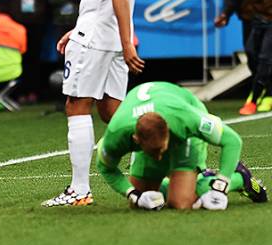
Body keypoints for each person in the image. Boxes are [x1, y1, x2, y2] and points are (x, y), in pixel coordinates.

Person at [44, 0, 145, 208]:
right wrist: (122, 34)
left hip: (102, 36)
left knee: (77, 104)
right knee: (112, 112)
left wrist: (124, 40)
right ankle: (164, 158)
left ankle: (79, 189)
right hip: (110, 34)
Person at [95, 82, 267, 210]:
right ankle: (183, 183)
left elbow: (232, 140)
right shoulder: (117, 133)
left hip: (181, 123)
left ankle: (240, 178)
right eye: (153, 153)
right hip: (153, 124)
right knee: (140, 205)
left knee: (181, 203)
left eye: (161, 150)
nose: (159, 158)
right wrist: (133, 194)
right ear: (136, 139)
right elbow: (106, 167)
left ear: (168, 133)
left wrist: (221, 185)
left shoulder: (187, 120)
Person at [216, 0, 272, 115]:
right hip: (256, 18)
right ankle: (262, 91)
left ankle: (255, 100)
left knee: (265, 58)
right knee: (251, 52)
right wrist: (225, 13)